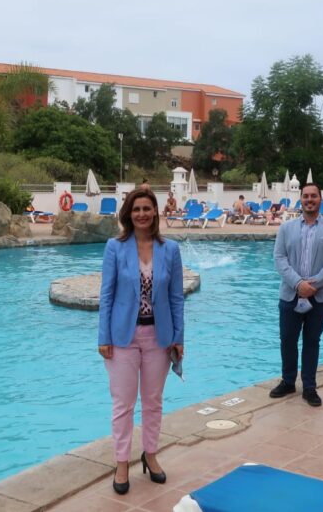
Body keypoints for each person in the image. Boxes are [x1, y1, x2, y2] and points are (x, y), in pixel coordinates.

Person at [98, 189, 185, 495]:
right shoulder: (115, 247)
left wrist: (178, 337)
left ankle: (150, 454)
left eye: (147, 208)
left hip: (159, 337)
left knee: (153, 402)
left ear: (155, 212)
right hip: (123, 337)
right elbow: (106, 295)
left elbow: (176, 298)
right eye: (136, 209)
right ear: (129, 213)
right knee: (123, 404)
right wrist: (103, 337)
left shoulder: (170, 249)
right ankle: (122, 462)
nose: (142, 214)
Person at [271, 183, 323, 407]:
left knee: (312, 341)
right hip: (290, 293)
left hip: (321, 296)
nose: (309, 200)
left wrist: (314, 284)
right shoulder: (286, 228)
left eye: (314, 196)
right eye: (305, 196)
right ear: (300, 199)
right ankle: (288, 381)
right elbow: (279, 258)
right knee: (287, 340)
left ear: (321, 199)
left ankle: (309, 387)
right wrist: (298, 284)